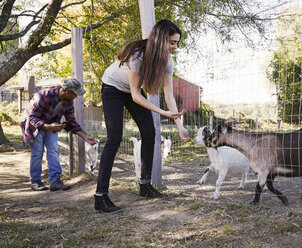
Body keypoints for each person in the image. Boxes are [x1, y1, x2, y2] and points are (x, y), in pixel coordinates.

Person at [95, 19, 191, 213]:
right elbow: (136, 95)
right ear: (160, 40)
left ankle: (145, 186)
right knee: (115, 138)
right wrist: (164, 113)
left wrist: (180, 126)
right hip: (113, 88)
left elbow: (168, 94)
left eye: (177, 43)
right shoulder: (138, 55)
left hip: (133, 91)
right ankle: (100, 197)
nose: (175, 47)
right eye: (172, 42)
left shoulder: (167, 61)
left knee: (150, 132)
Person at [20, 78, 97, 191]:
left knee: (53, 151)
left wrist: (85, 137)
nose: (76, 97)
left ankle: (55, 181)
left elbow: (71, 121)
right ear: (67, 92)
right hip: (34, 125)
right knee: (37, 152)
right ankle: (35, 181)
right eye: (75, 94)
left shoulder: (68, 101)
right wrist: (47, 126)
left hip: (51, 124)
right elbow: (32, 118)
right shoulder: (43, 96)